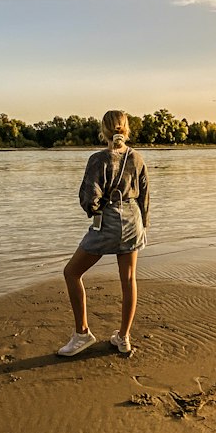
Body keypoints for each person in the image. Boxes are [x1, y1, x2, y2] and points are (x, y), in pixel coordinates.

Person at [57, 109, 150, 357]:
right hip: (133, 220)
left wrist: (94, 211)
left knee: (72, 272)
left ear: (104, 131)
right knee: (129, 280)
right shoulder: (137, 158)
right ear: (126, 130)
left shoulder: (98, 159)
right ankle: (123, 337)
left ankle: (82, 334)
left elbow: (90, 198)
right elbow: (145, 198)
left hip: (108, 219)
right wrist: (143, 226)